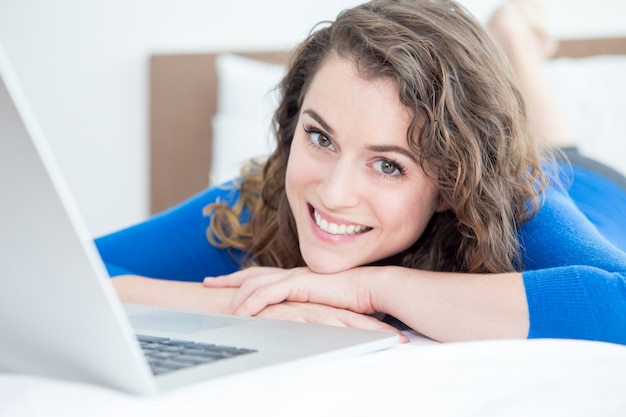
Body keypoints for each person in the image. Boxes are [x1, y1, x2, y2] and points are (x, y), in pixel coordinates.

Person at [96, 0, 626, 345]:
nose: (333, 194)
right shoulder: (259, 201)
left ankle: (515, 34)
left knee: (558, 145)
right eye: (320, 137)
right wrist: (252, 306)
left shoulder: (519, 204)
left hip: (594, 189)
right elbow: (65, 273)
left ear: (450, 185)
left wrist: (369, 289)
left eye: (389, 164)